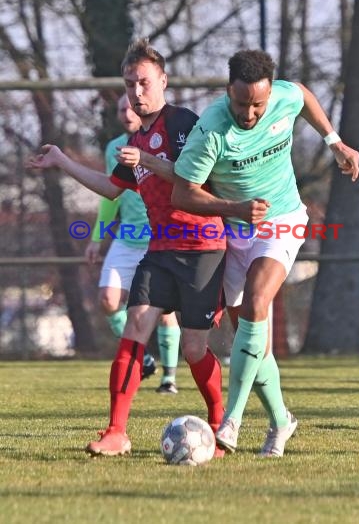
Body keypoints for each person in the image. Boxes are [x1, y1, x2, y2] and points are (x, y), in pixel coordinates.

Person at [27, 38, 226, 458]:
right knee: (136, 323)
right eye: (130, 84)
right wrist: (62, 161)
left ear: (163, 81)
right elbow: (110, 188)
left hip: (204, 247)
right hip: (160, 248)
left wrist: (149, 162)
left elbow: (201, 183)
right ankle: (117, 431)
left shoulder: (182, 123)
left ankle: (218, 425)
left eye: (144, 82)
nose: (137, 92)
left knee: (194, 348)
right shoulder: (137, 138)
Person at [172, 48, 359, 457]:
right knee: (251, 342)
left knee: (258, 303)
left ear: (270, 93)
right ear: (229, 92)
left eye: (258, 103)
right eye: (242, 103)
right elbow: (182, 192)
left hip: (284, 220)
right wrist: (233, 209)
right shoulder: (211, 131)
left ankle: (232, 420)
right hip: (236, 230)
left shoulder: (284, 97)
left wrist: (335, 142)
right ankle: (280, 421)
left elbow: (305, 96)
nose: (251, 113)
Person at [85, 94, 181, 392]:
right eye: (120, 109)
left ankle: (169, 377)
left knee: (164, 311)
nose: (126, 112)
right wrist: (96, 237)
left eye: (130, 107)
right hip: (127, 238)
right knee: (108, 300)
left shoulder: (162, 141)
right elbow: (110, 196)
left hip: (160, 236)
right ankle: (146, 359)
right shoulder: (114, 147)